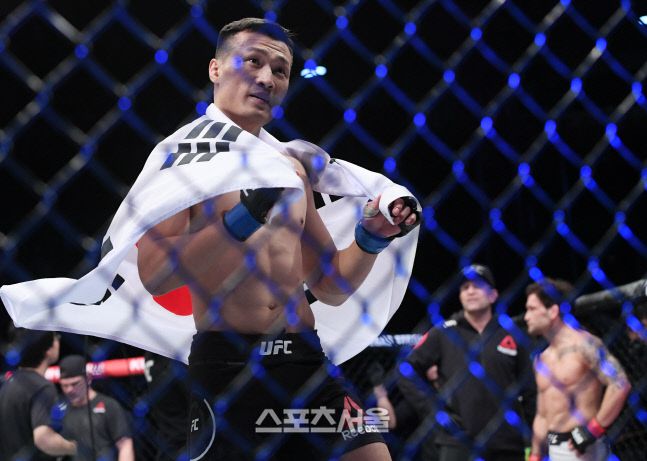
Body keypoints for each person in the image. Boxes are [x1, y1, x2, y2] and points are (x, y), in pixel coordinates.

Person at [136, 17, 419, 461]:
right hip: (231, 364)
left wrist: (370, 238)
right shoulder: (183, 160)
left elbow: (330, 285)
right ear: (215, 69)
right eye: (253, 61)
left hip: (306, 358)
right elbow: (155, 275)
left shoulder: (290, 169)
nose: (267, 78)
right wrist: (241, 221)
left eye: (280, 70)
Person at [397, 264, 536, 460]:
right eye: (465, 287)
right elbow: (406, 370)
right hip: (458, 443)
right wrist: (434, 411)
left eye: (477, 286)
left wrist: (533, 435)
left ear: (493, 295)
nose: (470, 291)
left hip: (507, 443)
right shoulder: (444, 332)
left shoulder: (511, 333)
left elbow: (529, 389)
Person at [524, 278, 632, 461]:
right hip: (553, 448)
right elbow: (542, 415)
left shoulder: (585, 345)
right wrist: (535, 454)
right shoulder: (541, 359)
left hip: (582, 448)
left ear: (553, 311)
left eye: (532, 309)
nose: (526, 317)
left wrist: (594, 429)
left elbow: (620, 384)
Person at [0, 328, 77, 460]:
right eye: (56, 337)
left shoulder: (6, 382)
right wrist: (73, 447)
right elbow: (43, 439)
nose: (58, 340)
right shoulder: (42, 387)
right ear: (48, 349)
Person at [57, 354, 134, 461]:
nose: (69, 390)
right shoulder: (59, 411)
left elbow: (125, 445)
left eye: (75, 384)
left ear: (88, 378)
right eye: (65, 385)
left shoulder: (109, 406)